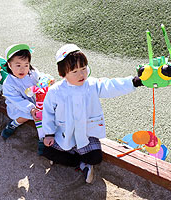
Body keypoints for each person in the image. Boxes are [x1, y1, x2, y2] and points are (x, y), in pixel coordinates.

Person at [41, 44, 143, 183]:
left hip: (86, 134)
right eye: (75, 71)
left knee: (96, 158)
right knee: (46, 150)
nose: (81, 74)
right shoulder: (55, 91)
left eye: (83, 68)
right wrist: (49, 134)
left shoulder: (92, 84)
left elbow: (111, 85)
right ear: (63, 73)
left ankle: (84, 164)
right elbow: (47, 113)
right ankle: (78, 161)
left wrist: (133, 82)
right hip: (64, 133)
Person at [0, 44, 42, 139]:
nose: (22, 69)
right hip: (19, 105)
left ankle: (45, 136)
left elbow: (40, 78)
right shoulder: (8, 83)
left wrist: (46, 80)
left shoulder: (32, 72)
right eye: (18, 65)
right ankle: (14, 124)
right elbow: (17, 100)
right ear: (10, 65)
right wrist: (31, 108)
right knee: (25, 116)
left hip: (35, 100)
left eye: (26, 65)